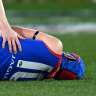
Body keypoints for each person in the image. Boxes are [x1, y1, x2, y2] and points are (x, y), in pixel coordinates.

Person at [0, 26, 85, 81]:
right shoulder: (39, 77)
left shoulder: (56, 46)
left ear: (69, 57)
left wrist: (6, 28)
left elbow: (21, 32)